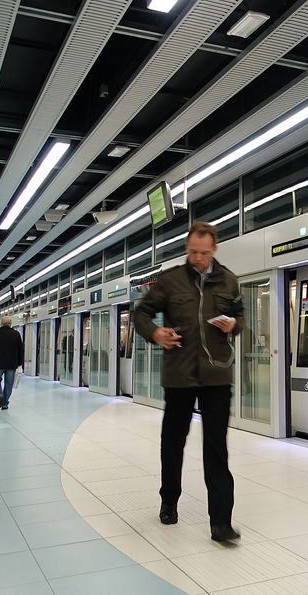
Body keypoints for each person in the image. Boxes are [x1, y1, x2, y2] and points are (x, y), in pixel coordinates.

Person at [132, 221, 244, 543]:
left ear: (215, 249)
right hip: (180, 375)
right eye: (193, 251)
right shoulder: (169, 282)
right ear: (186, 248)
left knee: (216, 449)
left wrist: (233, 324)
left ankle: (221, 523)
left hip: (217, 375)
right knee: (173, 443)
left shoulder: (230, 281)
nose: (198, 257)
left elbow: (242, 319)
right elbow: (142, 313)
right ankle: (169, 501)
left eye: (204, 252)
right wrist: (155, 332)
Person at [0, 316, 24, 410]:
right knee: (9, 384)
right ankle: (5, 404)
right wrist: (20, 362)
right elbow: (20, 350)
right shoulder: (16, 334)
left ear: (1, 323)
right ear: (10, 323)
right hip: (11, 364)